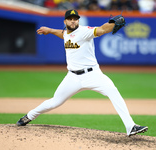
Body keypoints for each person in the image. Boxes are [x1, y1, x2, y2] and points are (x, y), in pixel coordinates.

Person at [16, 9, 148, 137]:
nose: (73, 21)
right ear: (65, 21)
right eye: (70, 19)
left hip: (93, 75)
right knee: (55, 102)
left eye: (75, 19)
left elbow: (101, 30)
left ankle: (130, 126)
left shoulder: (85, 31)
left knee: (113, 92)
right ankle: (29, 116)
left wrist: (112, 24)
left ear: (78, 21)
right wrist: (50, 30)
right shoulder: (67, 33)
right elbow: (63, 34)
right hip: (72, 77)